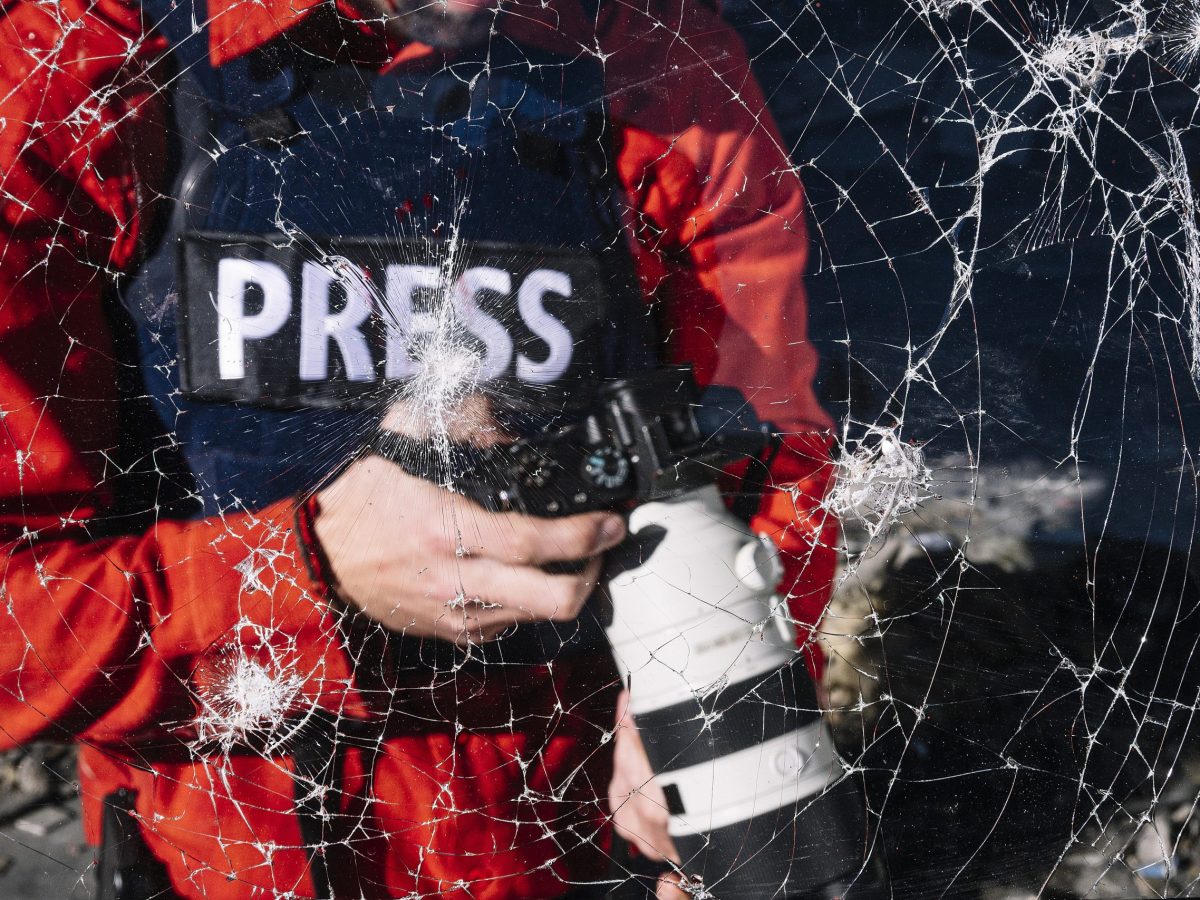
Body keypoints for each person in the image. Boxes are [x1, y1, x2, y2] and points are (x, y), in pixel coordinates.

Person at [0, 0, 839, 896]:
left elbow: (773, 452)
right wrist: (303, 573)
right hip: (231, 849)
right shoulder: (74, 65)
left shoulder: (659, 59)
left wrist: (700, 701)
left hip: (585, 834)